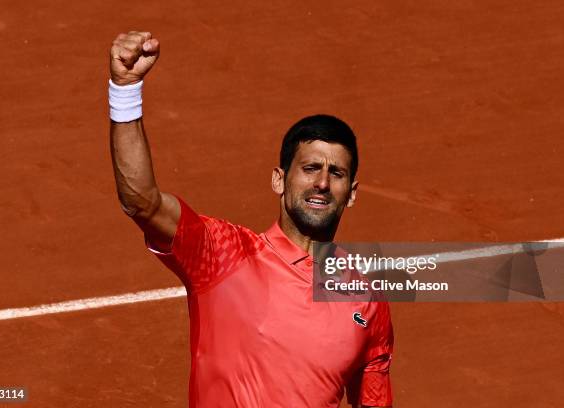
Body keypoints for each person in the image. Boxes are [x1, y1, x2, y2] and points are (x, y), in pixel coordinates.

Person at [109, 30, 393, 408]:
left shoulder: (368, 303)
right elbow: (141, 201)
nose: (322, 183)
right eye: (310, 168)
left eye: (336, 174)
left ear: (352, 193)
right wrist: (125, 91)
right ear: (279, 180)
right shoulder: (223, 253)